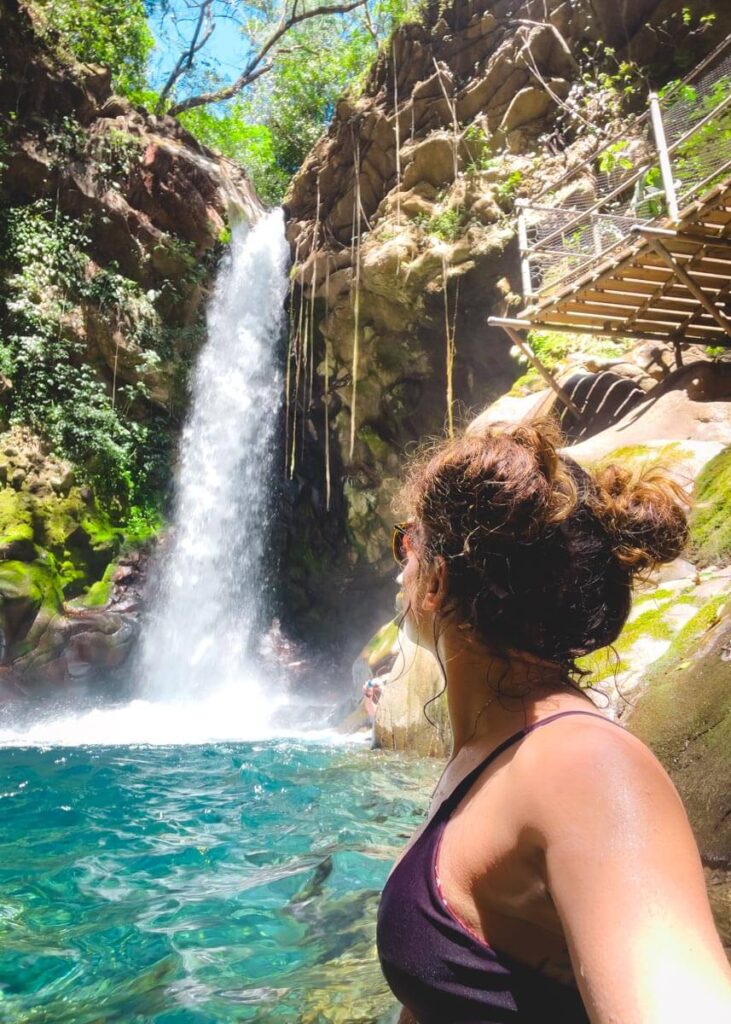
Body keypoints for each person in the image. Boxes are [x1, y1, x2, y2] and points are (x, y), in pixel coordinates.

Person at [376, 422, 731, 1024]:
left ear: (436, 580)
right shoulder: (493, 753)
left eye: (404, 543)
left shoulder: (581, 766)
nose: (398, 566)